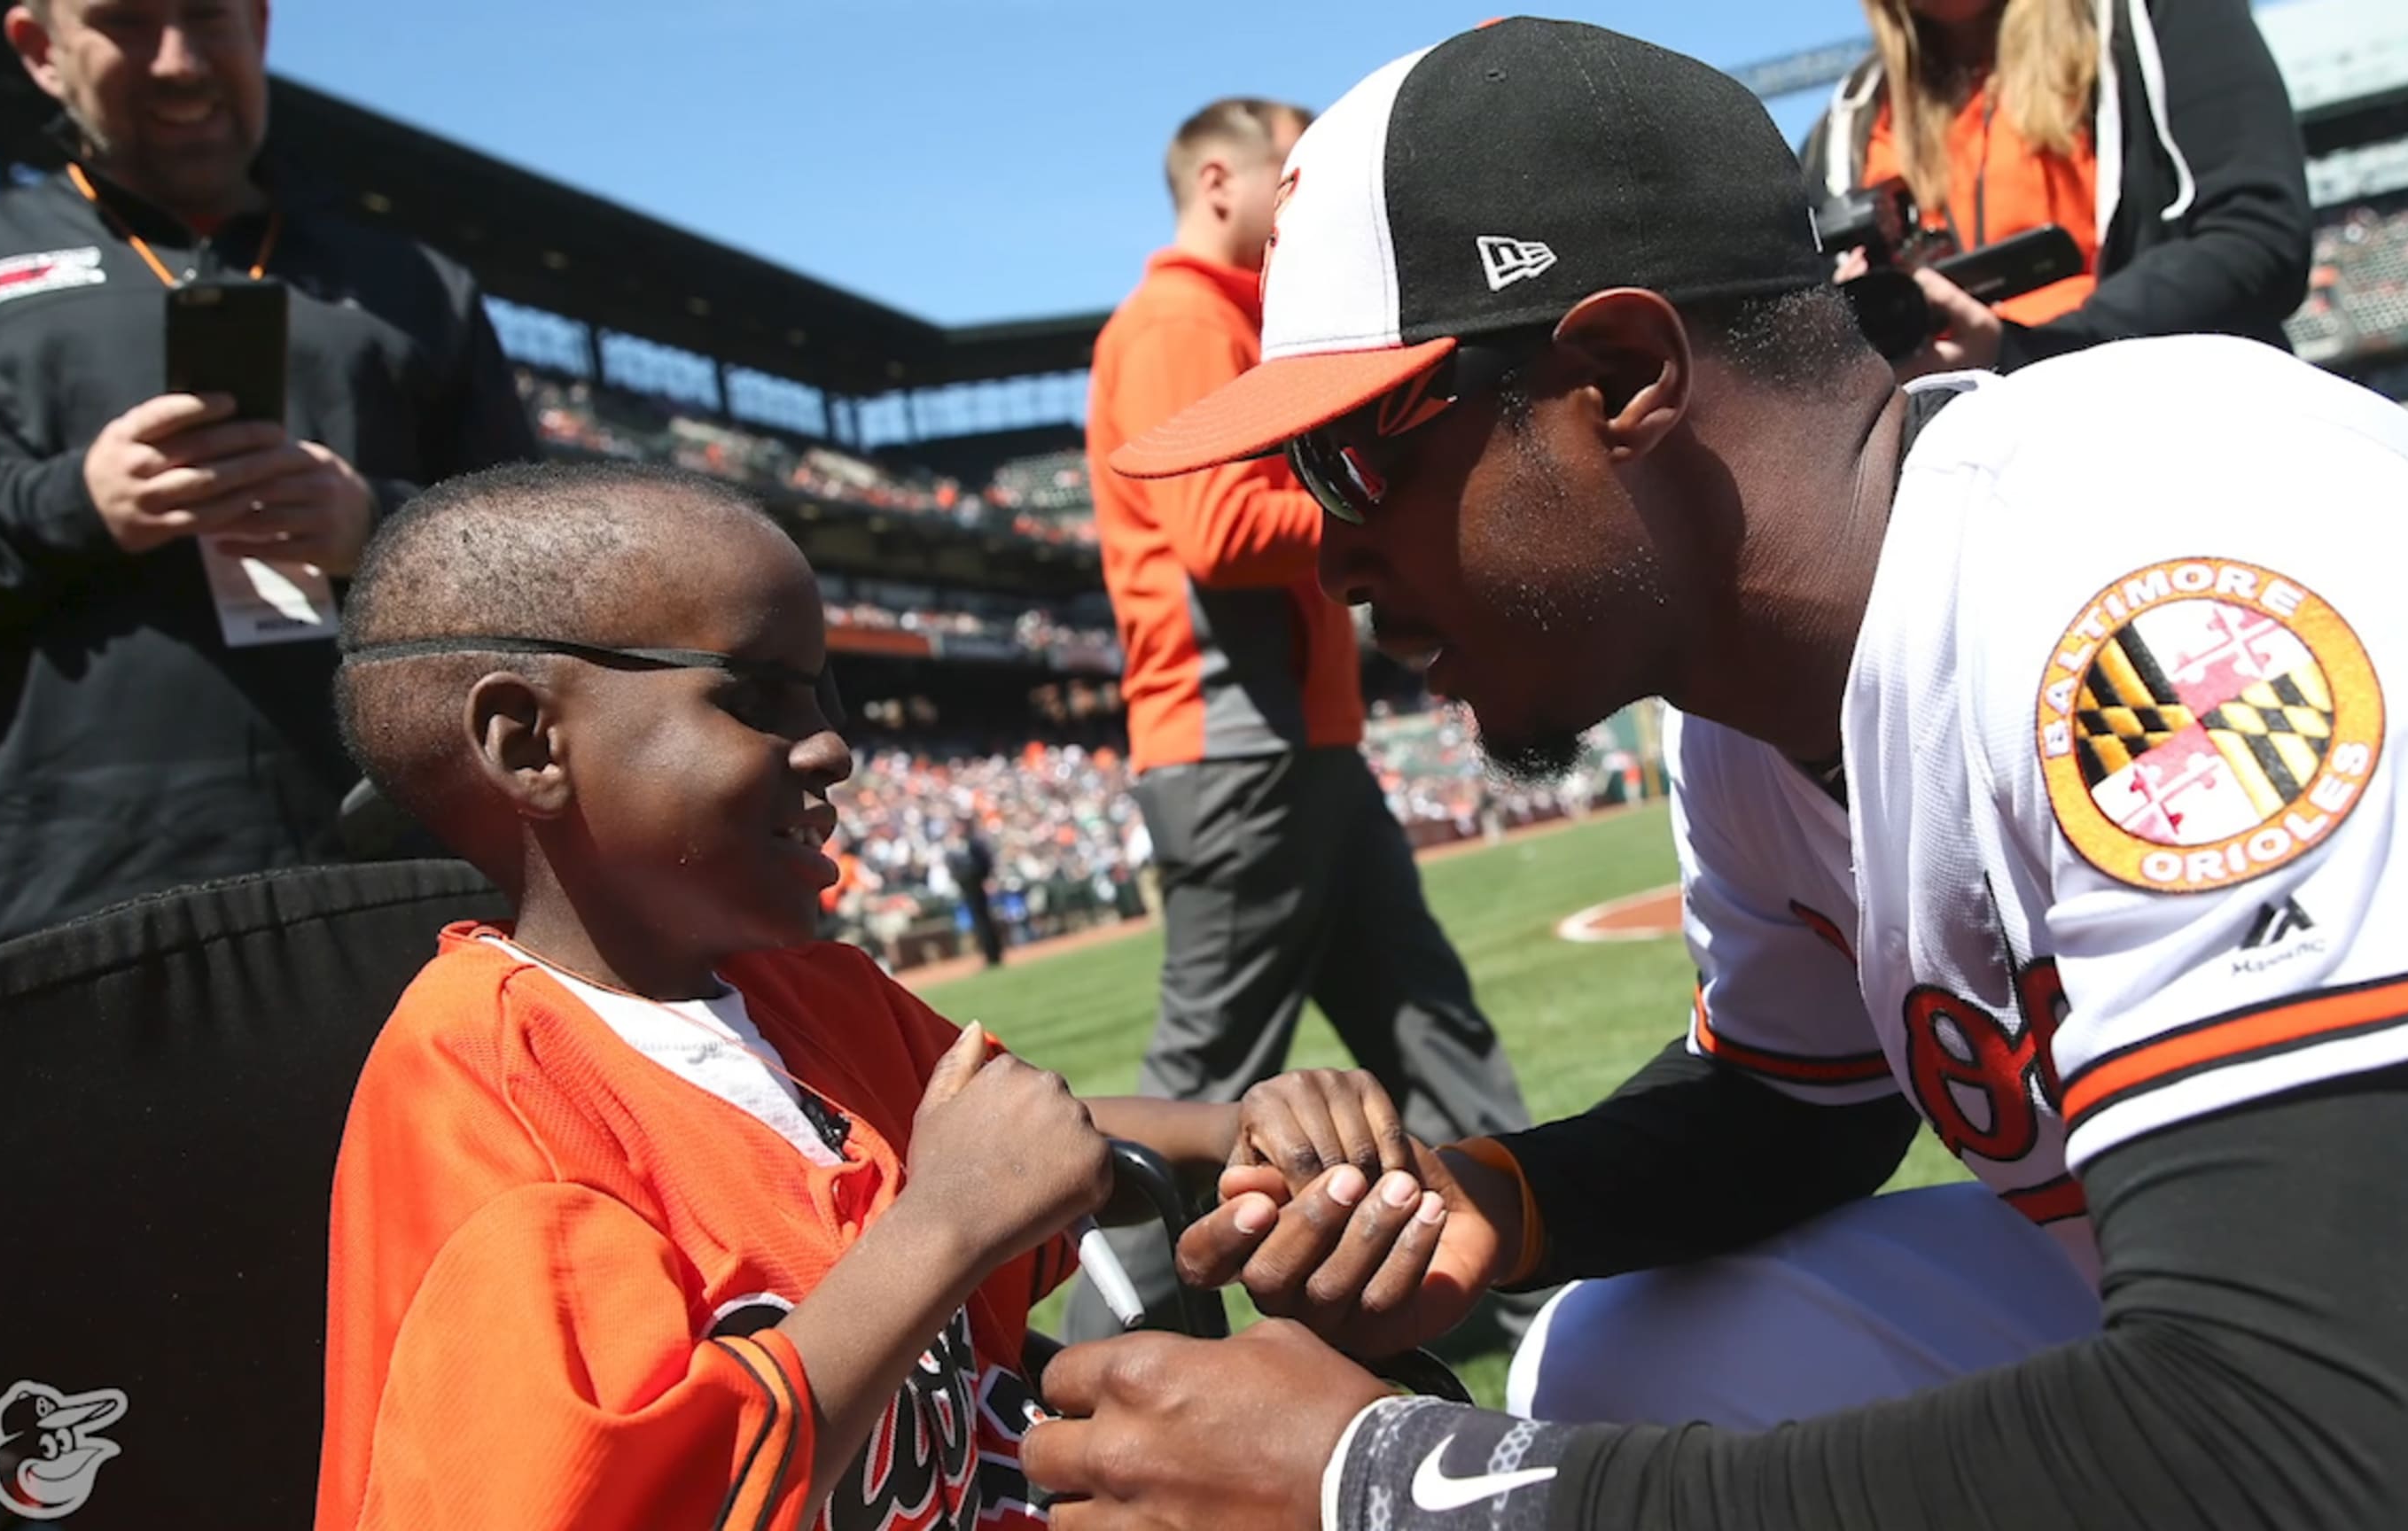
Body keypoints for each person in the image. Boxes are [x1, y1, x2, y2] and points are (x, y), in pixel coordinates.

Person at [1015, 19, 2408, 1531]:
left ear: (1618, 379)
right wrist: (1490, 1200)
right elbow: (1789, 1107)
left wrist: (1395, 1483)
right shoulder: (1756, 686)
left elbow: (2349, 1444)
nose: (1327, 547)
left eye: (1360, 450)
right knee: (1630, 1347)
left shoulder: (2154, 575)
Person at [314, 460, 1420, 1530]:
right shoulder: (483, 1094)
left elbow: (1025, 1149)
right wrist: (941, 1230)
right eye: (757, 699)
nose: (834, 747)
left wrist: (1243, 1130)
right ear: (527, 745)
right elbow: (606, 1496)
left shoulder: (815, 995)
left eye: (824, 696)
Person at [1072, 96, 1531, 1341]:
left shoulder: (1228, 319)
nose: (1307, 198)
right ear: (1219, 181)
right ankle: (1093, 1359)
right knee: (1203, 1082)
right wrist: (1372, 505)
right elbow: (1217, 532)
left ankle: (1525, 1266)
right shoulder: (1174, 320)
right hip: (1238, 749)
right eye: (1291, 173)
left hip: (1291, 746)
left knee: (1429, 1023)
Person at [0, 0, 536, 946]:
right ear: (40, 47)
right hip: (60, 893)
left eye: (208, 17)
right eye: (126, 21)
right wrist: (74, 501)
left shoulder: (413, 287)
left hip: (395, 878)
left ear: (261, 29)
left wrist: (377, 529)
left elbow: (547, 572)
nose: (180, 61)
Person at [1804, 0, 2311, 376]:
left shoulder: (2148, 17)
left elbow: (2257, 237)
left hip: (2179, 420)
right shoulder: (1848, 125)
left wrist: (2023, 352)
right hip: (1967, 467)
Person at [953, 816, 1004, 967]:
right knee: (982, 922)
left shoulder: (974, 844)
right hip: (971, 889)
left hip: (977, 888)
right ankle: (991, 954)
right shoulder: (966, 845)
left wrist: (985, 879)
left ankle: (993, 955)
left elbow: (984, 864)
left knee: (984, 922)